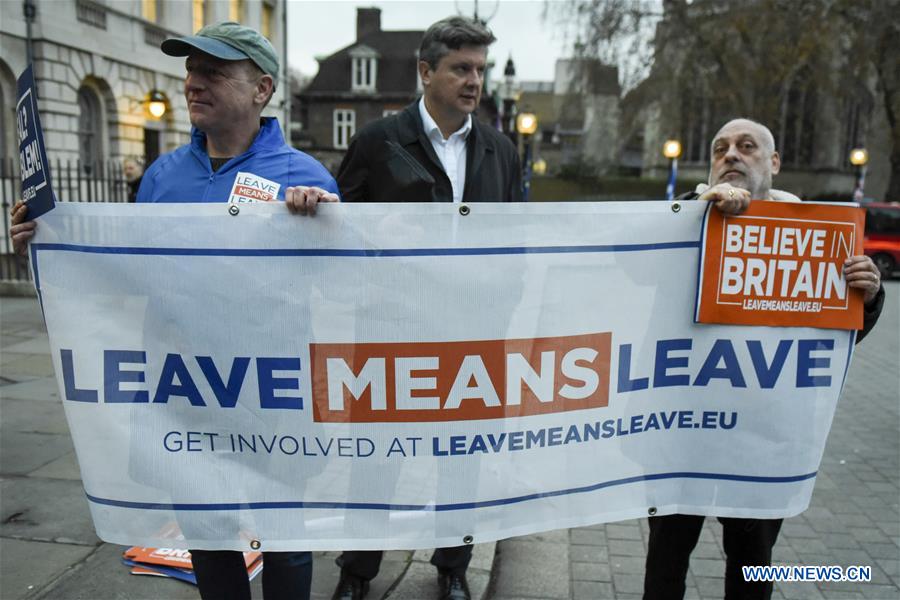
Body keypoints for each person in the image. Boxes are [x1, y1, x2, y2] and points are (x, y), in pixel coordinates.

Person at [10, 21, 338, 600]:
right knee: (209, 539)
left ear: (261, 89)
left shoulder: (305, 178)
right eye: (190, 70)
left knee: (284, 538)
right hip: (187, 395)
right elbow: (129, 273)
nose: (193, 83)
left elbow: (351, 286)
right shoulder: (162, 176)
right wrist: (48, 244)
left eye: (213, 71)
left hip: (272, 396)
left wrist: (332, 229)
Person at [642, 118, 885, 600]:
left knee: (752, 564)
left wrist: (869, 296)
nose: (730, 154)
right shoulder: (680, 220)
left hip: (762, 436)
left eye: (746, 146)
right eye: (720, 148)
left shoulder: (816, 238)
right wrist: (701, 209)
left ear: (773, 163)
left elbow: (836, 341)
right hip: (682, 431)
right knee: (666, 558)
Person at [331, 16, 521, 600]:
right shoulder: (377, 142)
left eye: (480, 70)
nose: (474, 81)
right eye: (461, 68)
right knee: (377, 459)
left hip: (471, 335)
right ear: (425, 71)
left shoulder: (499, 150)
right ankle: (358, 572)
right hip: (391, 332)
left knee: (461, 458)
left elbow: (516, 241)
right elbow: (339, 234)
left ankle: (453, 565)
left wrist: (498, 312)